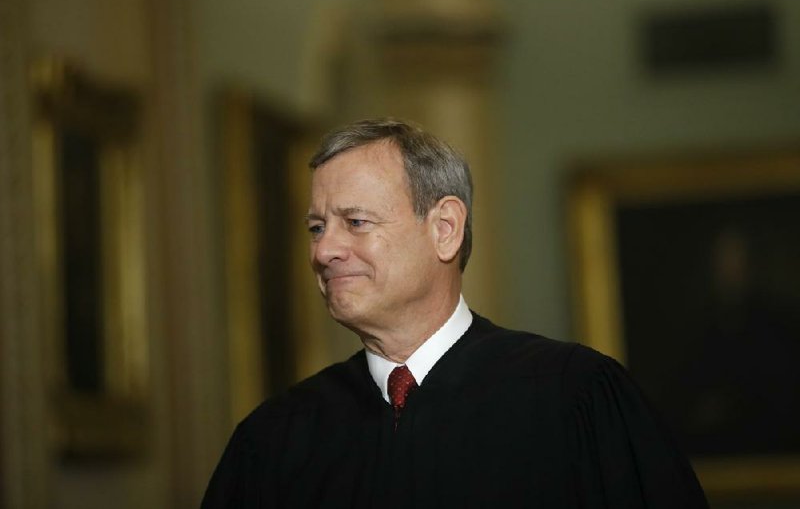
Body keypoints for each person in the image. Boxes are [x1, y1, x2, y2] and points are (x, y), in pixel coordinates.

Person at [201, 118, 708, 508]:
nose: (325, 250)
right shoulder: (275, 439)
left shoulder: (575, 397)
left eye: (355, 222)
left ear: (444, 228)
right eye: (316, 227)